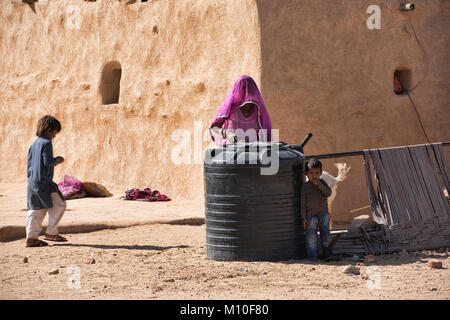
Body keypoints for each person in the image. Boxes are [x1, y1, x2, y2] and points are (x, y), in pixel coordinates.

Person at [25, 115, 67, 247]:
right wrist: (58, 160)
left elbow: (29, 166)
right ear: (49, 129)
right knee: (60, 204)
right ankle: (51, 232)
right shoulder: (46, 143)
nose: (55, 135)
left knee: (36, 209)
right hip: (44, 182)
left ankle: (31, 238)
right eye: (55, 132)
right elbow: (48, 162)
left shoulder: (34, 144)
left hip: (33, 182)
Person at [210, 75, 272, 146]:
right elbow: (214, 127)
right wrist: (227, 133)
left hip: (253, 151)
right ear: (237, 90)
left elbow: (267, 132)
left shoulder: (258, 109)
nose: (246, 92)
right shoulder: (230, 107)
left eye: (249, 89)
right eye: (243, 89)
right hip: (231, 151)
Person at [300, 158, 333, 261]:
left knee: (326, 234)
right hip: (311, 216)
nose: (314, 176)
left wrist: (319, 185)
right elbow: (303, 203)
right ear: (306, 173)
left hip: (323, 214)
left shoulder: (322, 182)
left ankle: (328, 255)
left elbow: (328, 193)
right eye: (311, 173)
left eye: (317, 173)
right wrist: (304, 217)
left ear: (321, 173)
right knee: (311, 236)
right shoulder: (305, 187)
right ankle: (312, 257)